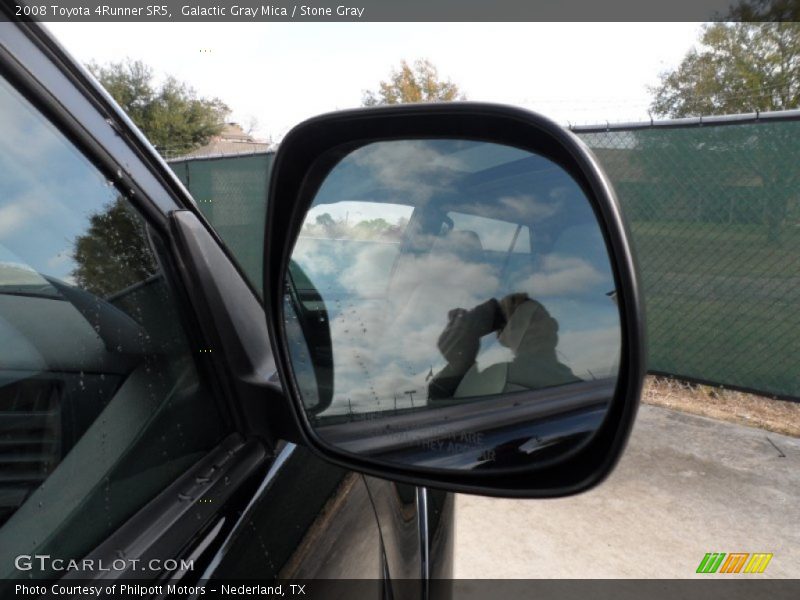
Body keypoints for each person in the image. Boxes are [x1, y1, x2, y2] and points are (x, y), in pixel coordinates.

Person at [428, 292, 579, 400]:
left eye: (535, 318)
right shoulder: (493, 381)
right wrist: (460, 365)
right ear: (502, 339)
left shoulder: (575, 381)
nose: (529, 328)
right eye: (517, 324)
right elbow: (445, 409)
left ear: (553, 325)